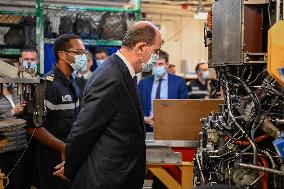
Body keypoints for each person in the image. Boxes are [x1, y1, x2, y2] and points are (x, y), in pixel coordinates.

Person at [53, 21, 162, 189]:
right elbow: (84, 130)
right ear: (141, 48)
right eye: (155, 51)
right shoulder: (111, 77)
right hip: (107, 180)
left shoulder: (123, 73)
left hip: (119, 175)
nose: (156, 57)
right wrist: (71, 167)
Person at [26, 34, 87, 189]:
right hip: (52, 161)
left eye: (84, 53)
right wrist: (62, 147)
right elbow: (33, 126)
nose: (83, 57)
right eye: (79, 52)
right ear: (62, 54)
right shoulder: (46, 85)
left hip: (69, 158)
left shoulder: (73, 83)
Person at [138, 50, 188, 130]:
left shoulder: (179, 82)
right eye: (155, 64)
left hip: (171, 127)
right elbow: (137, 105)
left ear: (167, 65)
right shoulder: (143, 83)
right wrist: (145, 119)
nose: (157, 67)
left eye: (160, 64)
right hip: (148, 127)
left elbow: (184, 106)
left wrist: (169, 120)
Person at [0, 82, 28, 189]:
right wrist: (12, 111)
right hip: (4, 150)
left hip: (21, 146)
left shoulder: (17, 90)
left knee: (20, 183)